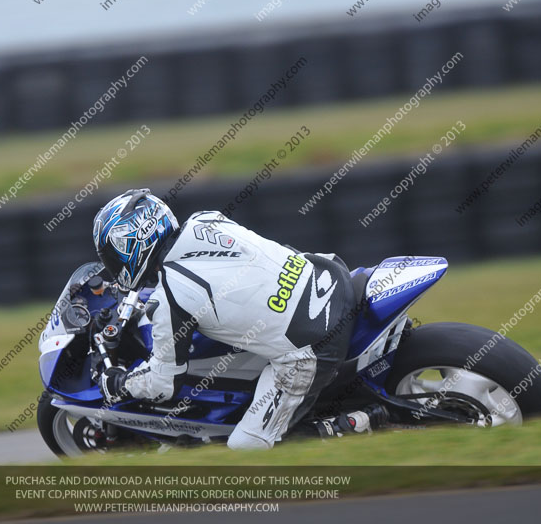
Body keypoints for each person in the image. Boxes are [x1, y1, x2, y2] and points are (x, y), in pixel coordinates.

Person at [93, 188, 373, 449]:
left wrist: (119, 382)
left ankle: (347, 427)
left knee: (244, 448)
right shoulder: (206, 220)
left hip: (311, 345)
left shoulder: (169, 300)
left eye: (113, 256)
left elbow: (163, 384)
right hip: (328, 275)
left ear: (131, 248)